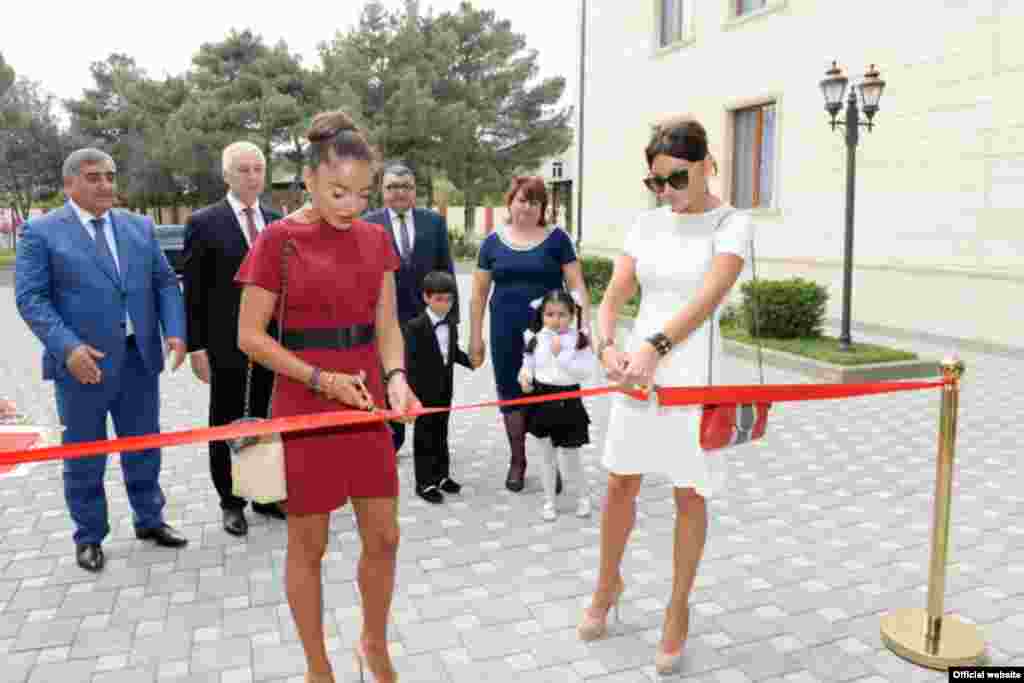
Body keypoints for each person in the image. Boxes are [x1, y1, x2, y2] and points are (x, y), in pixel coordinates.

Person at [236, 110, 419, 683]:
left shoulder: (375, 239)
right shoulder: (278, 241)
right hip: (306, 398)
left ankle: (373, 641)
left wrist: (395, 376)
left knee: (385, 536)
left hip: (365, 400)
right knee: (308, 545)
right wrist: (321, 380)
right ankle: (318, 667)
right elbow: (249, 336)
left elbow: (388, 323)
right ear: (309, 180)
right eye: (338, 191)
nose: (352, 204)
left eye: (363, 194)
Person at [577, 116, 754, 675]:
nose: (666, 193)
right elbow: (611, 298)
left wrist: (657, 345)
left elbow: (710, 296)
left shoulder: (732, 223)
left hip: (692, 367)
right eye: (655, 183)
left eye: (676, 179)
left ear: (706, 166)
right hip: (637, 368)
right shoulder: (646, 224)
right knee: (620, 481)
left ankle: (677, 608)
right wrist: (608, 346)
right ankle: (607, 586)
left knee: (688, 492)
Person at [15, 148, 189, 573]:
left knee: (144, 446)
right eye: (94, 177)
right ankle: (89, 536)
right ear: (69, 184)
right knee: (84, 454)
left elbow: (165, 283)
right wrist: (68, 348)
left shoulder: (138, 227)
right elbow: (30, 298)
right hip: (82, 366)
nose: (106, 184)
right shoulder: (41, 232)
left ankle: (149, 520)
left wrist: (176, 331)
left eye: (110, 176)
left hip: (138, 360)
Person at [183, 141, 285, 536]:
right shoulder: (204, 223)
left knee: (264, 416)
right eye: (243, 170)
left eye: (258, 169)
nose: (252, 176)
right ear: (226, 175)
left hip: (270, 342)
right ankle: (230, 500)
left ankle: (263, 493)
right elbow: (193, 291)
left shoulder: (277, 221)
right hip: (224, 342)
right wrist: (196, 346)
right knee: (226, 419)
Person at [469, 176, 591, 492]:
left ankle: (550, 463)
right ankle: (518, 460)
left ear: (542, 208)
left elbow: (577, 284)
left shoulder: (557, 239)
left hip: (550, 332)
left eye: (535, 202)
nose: (527, 207)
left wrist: (584, 329)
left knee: (549, 394)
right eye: (522, 200)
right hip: (505, 330)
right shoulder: (493, 242)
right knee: (511, 393)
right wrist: (474, 338)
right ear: (510, 202)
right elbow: (479, 293)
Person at [364, 163, 458, 454]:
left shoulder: (434, 223)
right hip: (385, 320)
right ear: (382, 191)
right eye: (392, 187)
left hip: (428, 321)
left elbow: (447, 271)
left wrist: (450, 320)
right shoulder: (367, 224)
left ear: (415, 190)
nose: (399, 192)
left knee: (429, 385)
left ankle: (430, 445)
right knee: (388, 381)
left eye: (405, 186)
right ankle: (391, 439)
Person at [517, 289, 597, 521]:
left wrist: (561, 354)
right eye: (550, 314)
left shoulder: (579, 339)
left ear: (572, 315)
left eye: (562, 314)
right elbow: (528, 363)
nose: (555, 319)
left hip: (569, 400)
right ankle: (549, 501)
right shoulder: (534, 337)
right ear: (542, 315)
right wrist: (524, 378)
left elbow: (584, 372)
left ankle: (582, 497)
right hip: (542, 400)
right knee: (546, 457)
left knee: (572, 456)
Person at [403, 270, 474, 504]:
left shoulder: (450, 324)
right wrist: (412, 395)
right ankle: (424, 482)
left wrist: (470, 361)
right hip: (422, 393)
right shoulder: (414, 327)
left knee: (441, 434)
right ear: (426, 297)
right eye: (439, 299)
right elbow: (410, 364)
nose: (445, 305)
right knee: (424, 437)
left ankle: (442, 476)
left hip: (445, 390)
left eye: (449, 300)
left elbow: (450, 353)